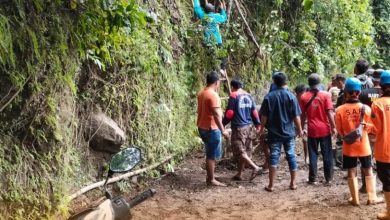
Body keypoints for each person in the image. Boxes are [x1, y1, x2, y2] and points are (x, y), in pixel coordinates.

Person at [335, 78, 382, 206]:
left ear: (346, 92)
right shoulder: (366, 108)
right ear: (359, 92)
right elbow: (372, 127)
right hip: (364, 144)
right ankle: (372, 197)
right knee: (368, 169)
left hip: (348, 146)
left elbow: (339, 130)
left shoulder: (339, 110)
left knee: (351, 170)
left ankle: (355, 198)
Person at [260, 72, 303, 192]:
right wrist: (299, 130)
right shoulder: (291, 96)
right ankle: (293, 183)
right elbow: (296, 116)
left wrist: (261, 129)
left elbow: (264, 116)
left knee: (274, 156)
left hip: (274, 133)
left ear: (274, 82)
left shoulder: (269, 97)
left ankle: (271, 185)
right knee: (291, 155)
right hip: (289, 133)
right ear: (286, 82)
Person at [300, 73, 336, 186]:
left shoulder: (303, 97)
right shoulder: (325, 95)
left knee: (313, 154)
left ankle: (313, 178)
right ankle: (329, 179)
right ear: (319, 83)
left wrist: (301, 128)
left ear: (309, 84)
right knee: (327, 154)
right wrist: (334, 127)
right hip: (325, 129)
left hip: (312, 130)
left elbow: (303, 116)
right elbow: (330, 112)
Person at [222, 79, 262, 181]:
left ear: (232, 87)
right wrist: (257, 124)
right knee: (244, 151)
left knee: (239, 151)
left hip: (238, 128)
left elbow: (230, 113)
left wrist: (223, 123)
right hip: (249, 127)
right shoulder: (248, 95)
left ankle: (255, 168)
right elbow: (254, 112)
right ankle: (239, 174)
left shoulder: (234, 95)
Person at [197, 71, 229, 186]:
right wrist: (223, 130)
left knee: (209, 152)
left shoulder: (202, 93)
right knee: (211, 156)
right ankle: (211, 179)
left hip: (202, 126)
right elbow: (216, 114)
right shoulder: (213, 95)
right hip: (211, 128)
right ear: (217, 82)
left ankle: (210, 176)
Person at [358, 69, 384, 193]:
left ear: (373, 80)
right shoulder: (385, 94)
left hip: (368, 131)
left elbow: (360, 111)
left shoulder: (364, 93)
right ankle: (385, 186)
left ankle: (365, 186)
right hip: (384, 131)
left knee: (366, 159)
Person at [371, 71, 390, 219]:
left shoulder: (377, 104)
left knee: (387, 182)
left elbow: (374, 129)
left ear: (381, 87)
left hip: (384, 150)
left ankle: (389, 212)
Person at [294, 84, 310, 164]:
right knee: (291, 137)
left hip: (304, 121)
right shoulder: (293, 100)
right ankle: (291, 154)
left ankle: (307, 157)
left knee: (305, 139)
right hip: (295, 121)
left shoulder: (307, 100)